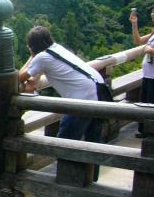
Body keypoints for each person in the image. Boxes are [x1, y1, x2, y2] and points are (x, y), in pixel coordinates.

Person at [18, 26, 105, 179]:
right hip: (98, 91)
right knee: (93, 143)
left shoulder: (42, 57)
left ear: (32, 46)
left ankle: (67, 182)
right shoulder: (57, 49)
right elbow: (35, 75)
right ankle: (91, 180)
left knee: (65, 144)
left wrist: (31, 56)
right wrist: (32, 77)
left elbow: (18, 77)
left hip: (81, 101)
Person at [130, 8, 154, 137]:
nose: (153, 14)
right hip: (148, 74)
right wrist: (134, 24)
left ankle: (150, 134)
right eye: (152, 11)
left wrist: (150, 50)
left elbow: (148, 48)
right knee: (146, 103)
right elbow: (137, 41)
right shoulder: (153, 31)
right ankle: (145, 132)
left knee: (151, 105)